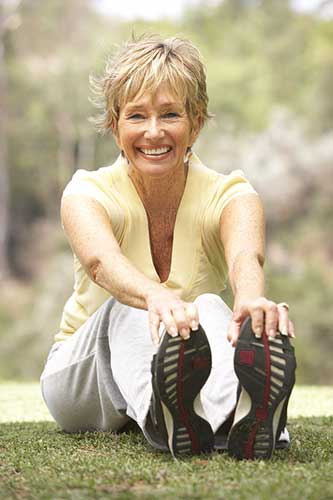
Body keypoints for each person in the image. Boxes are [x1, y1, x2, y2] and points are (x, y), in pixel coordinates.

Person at [40, 35, 296, 460]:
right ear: (115, 124)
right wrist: (155, 296)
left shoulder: (229, 193)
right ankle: (175, 414)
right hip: (83, 379)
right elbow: (102, 263)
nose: (153, 132)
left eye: (171, 114)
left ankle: (234, 415)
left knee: (212, 305)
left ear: (196, 122)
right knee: (129, 308)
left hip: (177, 358)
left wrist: (252, 304)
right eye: (137, 116)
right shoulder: (87, 192)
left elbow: (244, 256)